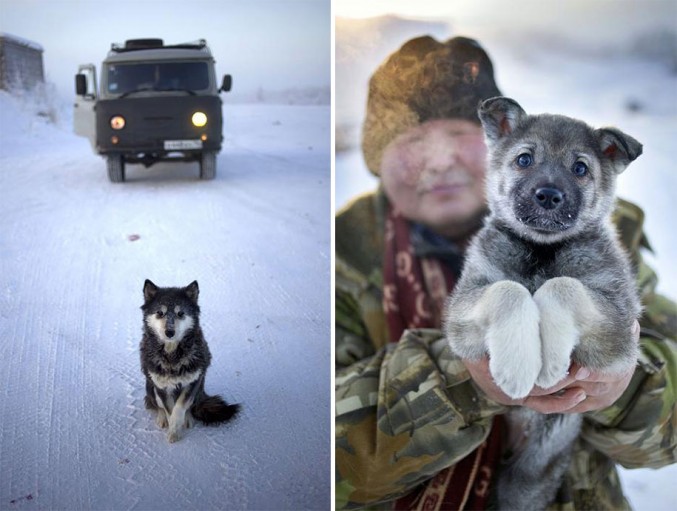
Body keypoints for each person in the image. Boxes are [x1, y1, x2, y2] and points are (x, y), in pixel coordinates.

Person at [335, 36, 677, 510]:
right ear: (378, 158)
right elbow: (329, 465)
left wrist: (621, 382)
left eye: (458, 135)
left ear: (492, 138)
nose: (439, 161)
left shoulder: (614, 236)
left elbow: (670, 430)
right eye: (413, 139)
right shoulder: (339, 257)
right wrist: (460, 378)